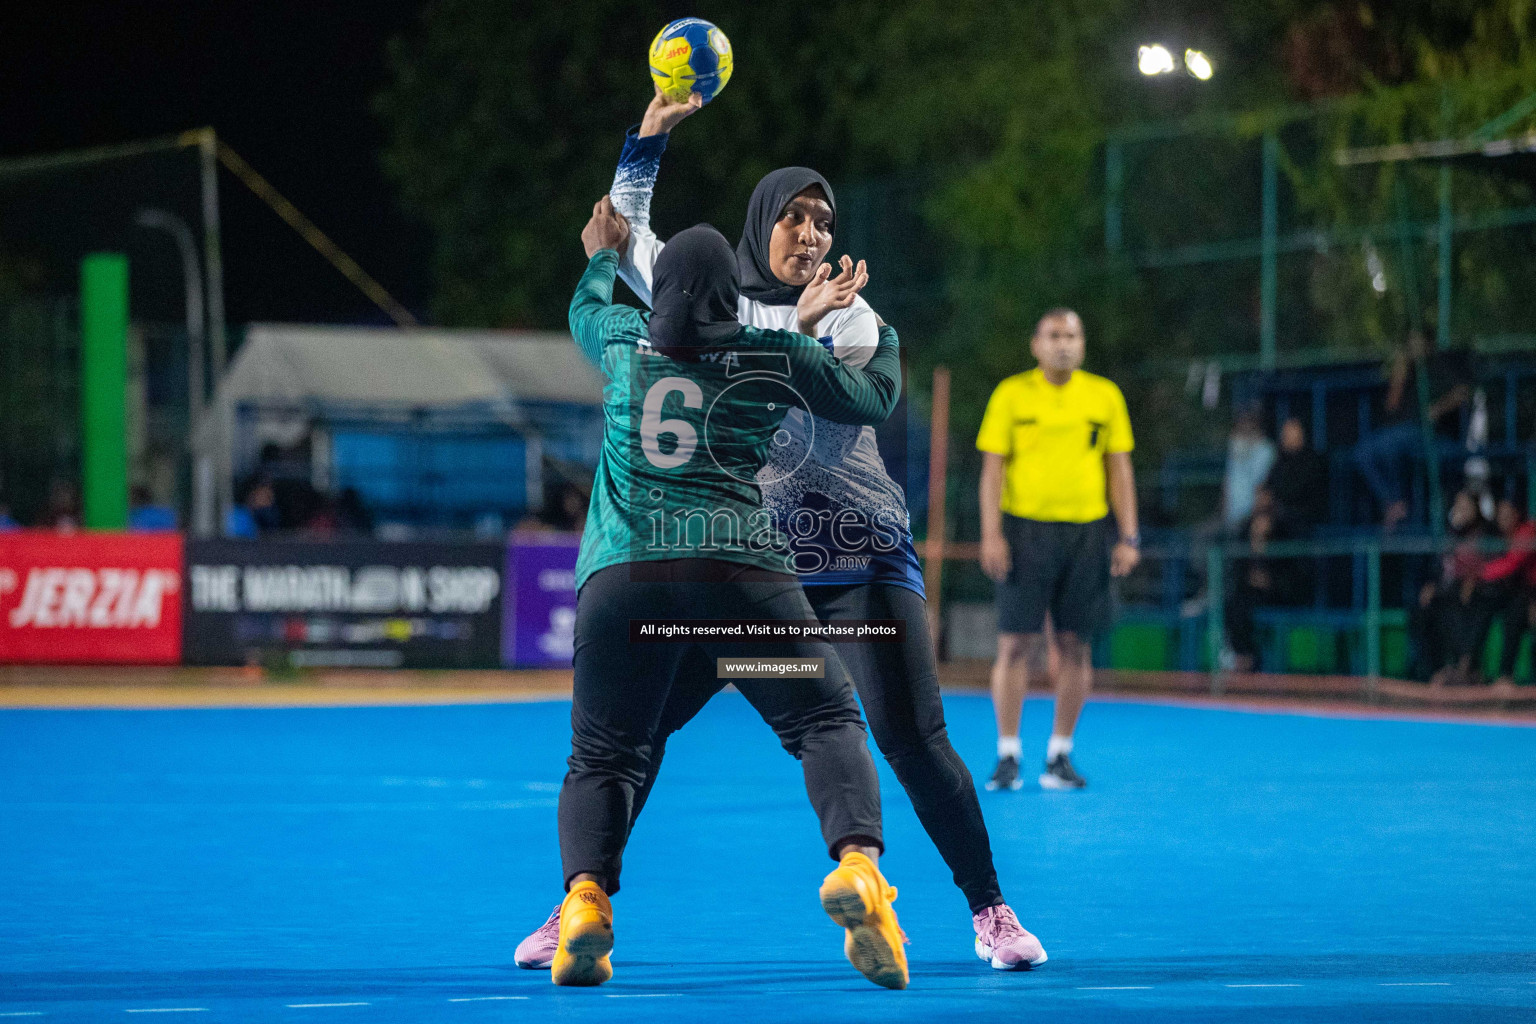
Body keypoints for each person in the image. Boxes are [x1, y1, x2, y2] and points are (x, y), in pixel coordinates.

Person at [516, 88, 1046, 975]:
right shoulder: (756, 321)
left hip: (852, 562)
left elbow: (610, 260)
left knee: (910, 737)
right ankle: (581, 897)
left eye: (823, 222)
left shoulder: (844, 314)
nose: (811, 235)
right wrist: (648, 134)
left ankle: (990, 909)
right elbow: (632, 228)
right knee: (642, 736)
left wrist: (832, 332)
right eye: (793, 218)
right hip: (753, 574)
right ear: (755, 230)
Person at [544, 204, 911, 988]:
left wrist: (604, 256)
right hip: (738, 584)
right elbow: (871, 397)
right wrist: (846, 326)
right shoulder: (773, 352)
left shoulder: (622, 345)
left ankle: (584, 903)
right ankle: (858, 867)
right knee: (823, 716)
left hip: (626, 588)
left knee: (605, 754)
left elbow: (585, 306)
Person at [977, 309, 1140, 791]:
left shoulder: (1104, 395)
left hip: (1088, 534)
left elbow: (1120, 470)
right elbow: (992, 471)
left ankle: (1060, 756)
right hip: (1025, 532)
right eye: (1054, 335)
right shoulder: (1011, 394)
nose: (1064, 344)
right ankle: (1008, 755)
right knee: (1015, 644)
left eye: (1072, 335)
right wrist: (991, 533)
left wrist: (1129, 536)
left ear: (1082, 343)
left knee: (1075, 646)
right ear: (1036, 344)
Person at [1354, 332, 1473, 531]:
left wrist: (1438, 408)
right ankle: (1393, 502)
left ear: (1428, 343)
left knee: (1392, 448)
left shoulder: (1439, 366)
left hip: (1428, 434)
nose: (1414, 346)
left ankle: (1399, 500)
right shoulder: (1408, 370)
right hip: (1400, 432)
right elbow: (1391, 405)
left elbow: (1463, 392)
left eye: (1418, 341)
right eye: (1411, 341)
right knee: (1362, 453)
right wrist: (1399, 373)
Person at [1478, 498, 1536, 686]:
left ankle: (1506, 675)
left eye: (1506, 515)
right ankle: (1469, 668)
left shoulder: (1528, 530)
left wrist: (1478, 572)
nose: (1501, 520)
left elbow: (1513, 563)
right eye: (1499, 516)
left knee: (1517, 612)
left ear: (1517, 515)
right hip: (1524, 593)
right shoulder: (1498, 535)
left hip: (1531, 594)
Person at [1262, 416, 1328, 534]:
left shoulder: (1312, 462)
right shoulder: (1280, 462)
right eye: (1285, 433)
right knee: (1257, 523)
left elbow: (1297, 493)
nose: (1285, 437)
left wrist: (1273, 500)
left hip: (1303, 520)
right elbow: (1269, 485)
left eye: (1290, 432)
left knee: (1263, 525)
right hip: (1279, 517)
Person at [1222, 407, 1275, 535]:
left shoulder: (1266, 450)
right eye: (1241, 423)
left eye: (1248, 422)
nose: (1244, 426)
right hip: (1231, 515)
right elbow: (1228, 481)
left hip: (1253, 516)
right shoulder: (1235, 446)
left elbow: (1262, 485)